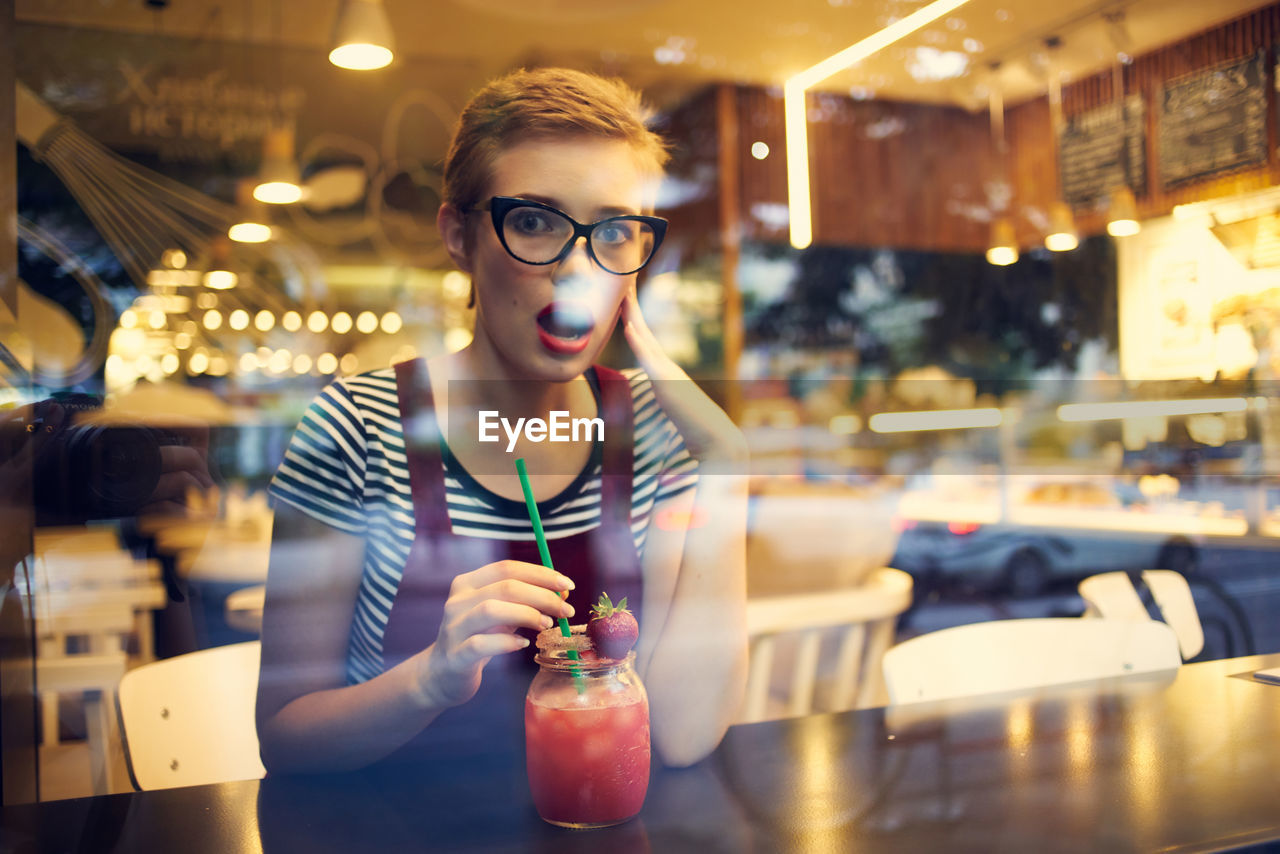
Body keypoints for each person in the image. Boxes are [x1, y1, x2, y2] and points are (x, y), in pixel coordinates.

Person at [256, 68, 748, 774]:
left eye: (613, 232)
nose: (579, 269)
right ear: (461, 236)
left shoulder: (657, 430)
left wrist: (726, 460)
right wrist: (430, 678)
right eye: (535, 221)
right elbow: (285, 738)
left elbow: (681, 733)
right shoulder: (357, 427)